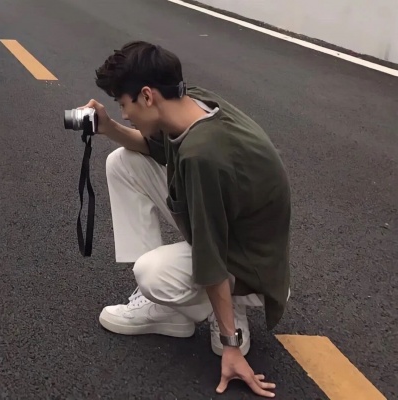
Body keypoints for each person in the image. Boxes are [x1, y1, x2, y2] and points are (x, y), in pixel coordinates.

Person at [80, 40, 291, 398]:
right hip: (237, 229)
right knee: (122, 162)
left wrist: (231, 345)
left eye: (123, 104)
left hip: (251, 266)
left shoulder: (201, 156)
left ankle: (232, 308)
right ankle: (163, 308)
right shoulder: (189, 102)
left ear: (147, 96)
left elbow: (211, 252)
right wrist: (108, 126)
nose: (125, 114)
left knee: (151, 273)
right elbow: (154, 148)